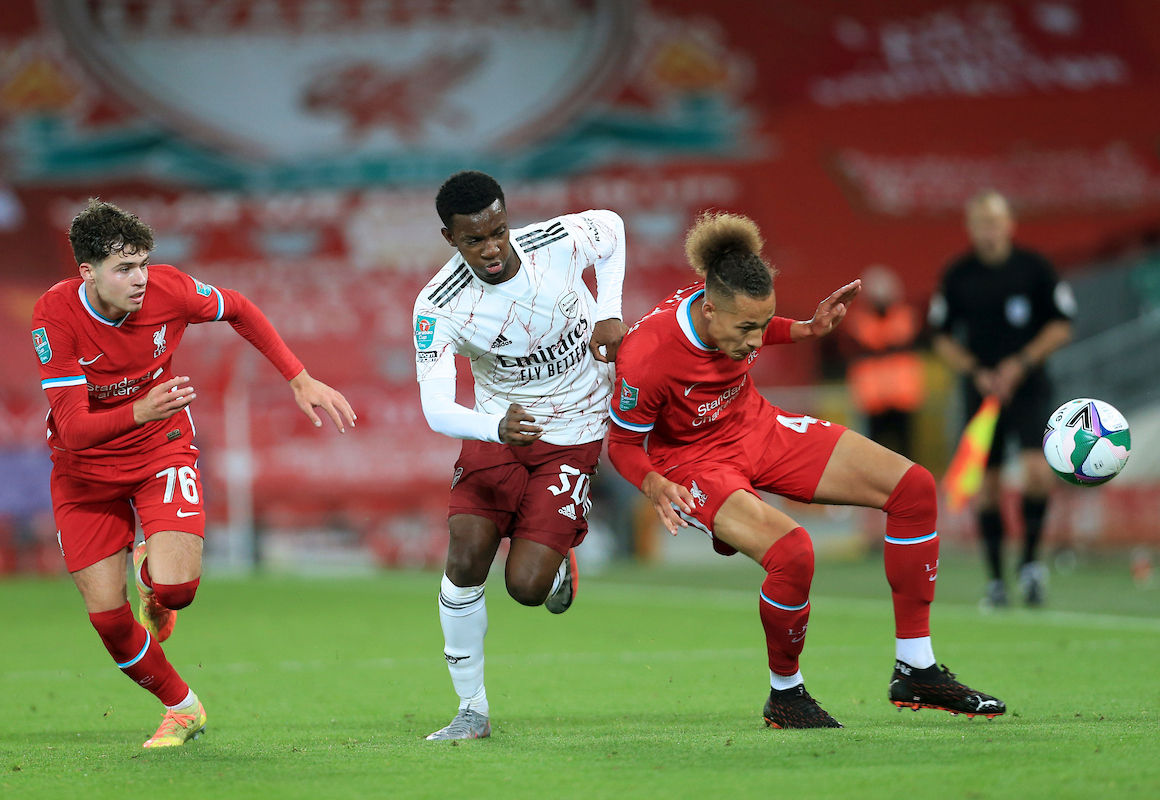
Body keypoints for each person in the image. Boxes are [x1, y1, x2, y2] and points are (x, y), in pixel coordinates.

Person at [607, 211, 1005, 729]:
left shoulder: (727, 300)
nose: (754, 341)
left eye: (761, 323)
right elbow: (621, 443)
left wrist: (803, 329)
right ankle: (786, 695)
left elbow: (757, 323)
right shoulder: (648, 355)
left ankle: (917, 667)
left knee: (914, 488)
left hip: (756, 426)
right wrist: (654, 483)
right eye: (745, 328)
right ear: (707, 312)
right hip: (692, 462)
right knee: (793, 553)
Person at [32, 199, 355, 748]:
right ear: (88, 273)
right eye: (124, 269)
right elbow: (75, 429)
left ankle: (153, 581)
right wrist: (140, 408)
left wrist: (298, 377)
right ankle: (182, 708)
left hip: (161, 450)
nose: (139, 280)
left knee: (177, 592)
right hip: (84, 472)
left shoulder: (170, 288)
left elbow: (240, 308)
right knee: (108, 621)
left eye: (142, 264)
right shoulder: (54, 316)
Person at [413, 171, 626, 740]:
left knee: (526, 588)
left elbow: (611, 227)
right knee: (463, 562)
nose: (491, 248)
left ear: (508, 218)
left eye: (498, 231)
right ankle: (471, 711)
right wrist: (493, 425)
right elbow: (436, 409)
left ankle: (557, 559)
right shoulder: (438, 306)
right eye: (473, 240)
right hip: (497, 433)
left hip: (575, 429)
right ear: (449, 238)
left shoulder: (553, 244)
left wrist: (609, 308)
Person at [930, 190, 1075, 608]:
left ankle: (1030, 563)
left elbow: (1062, 325)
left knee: (1037, 473)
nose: (988, 230)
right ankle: (995, 580)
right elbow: (939, 336)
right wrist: (976, 370)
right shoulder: (958, 275)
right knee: (987, 487)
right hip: (982, 392)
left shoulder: (1035, 269)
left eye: (995, 221)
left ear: (1010, 223)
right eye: (980, 223)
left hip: (1028, 386)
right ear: (970, 228)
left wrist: (1021, 363)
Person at [841, 265, 926, 459]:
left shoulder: (905, 316)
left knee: (906, 455)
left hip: (902, 396)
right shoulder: (858, 321)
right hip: (873, 399)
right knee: (874, 457)